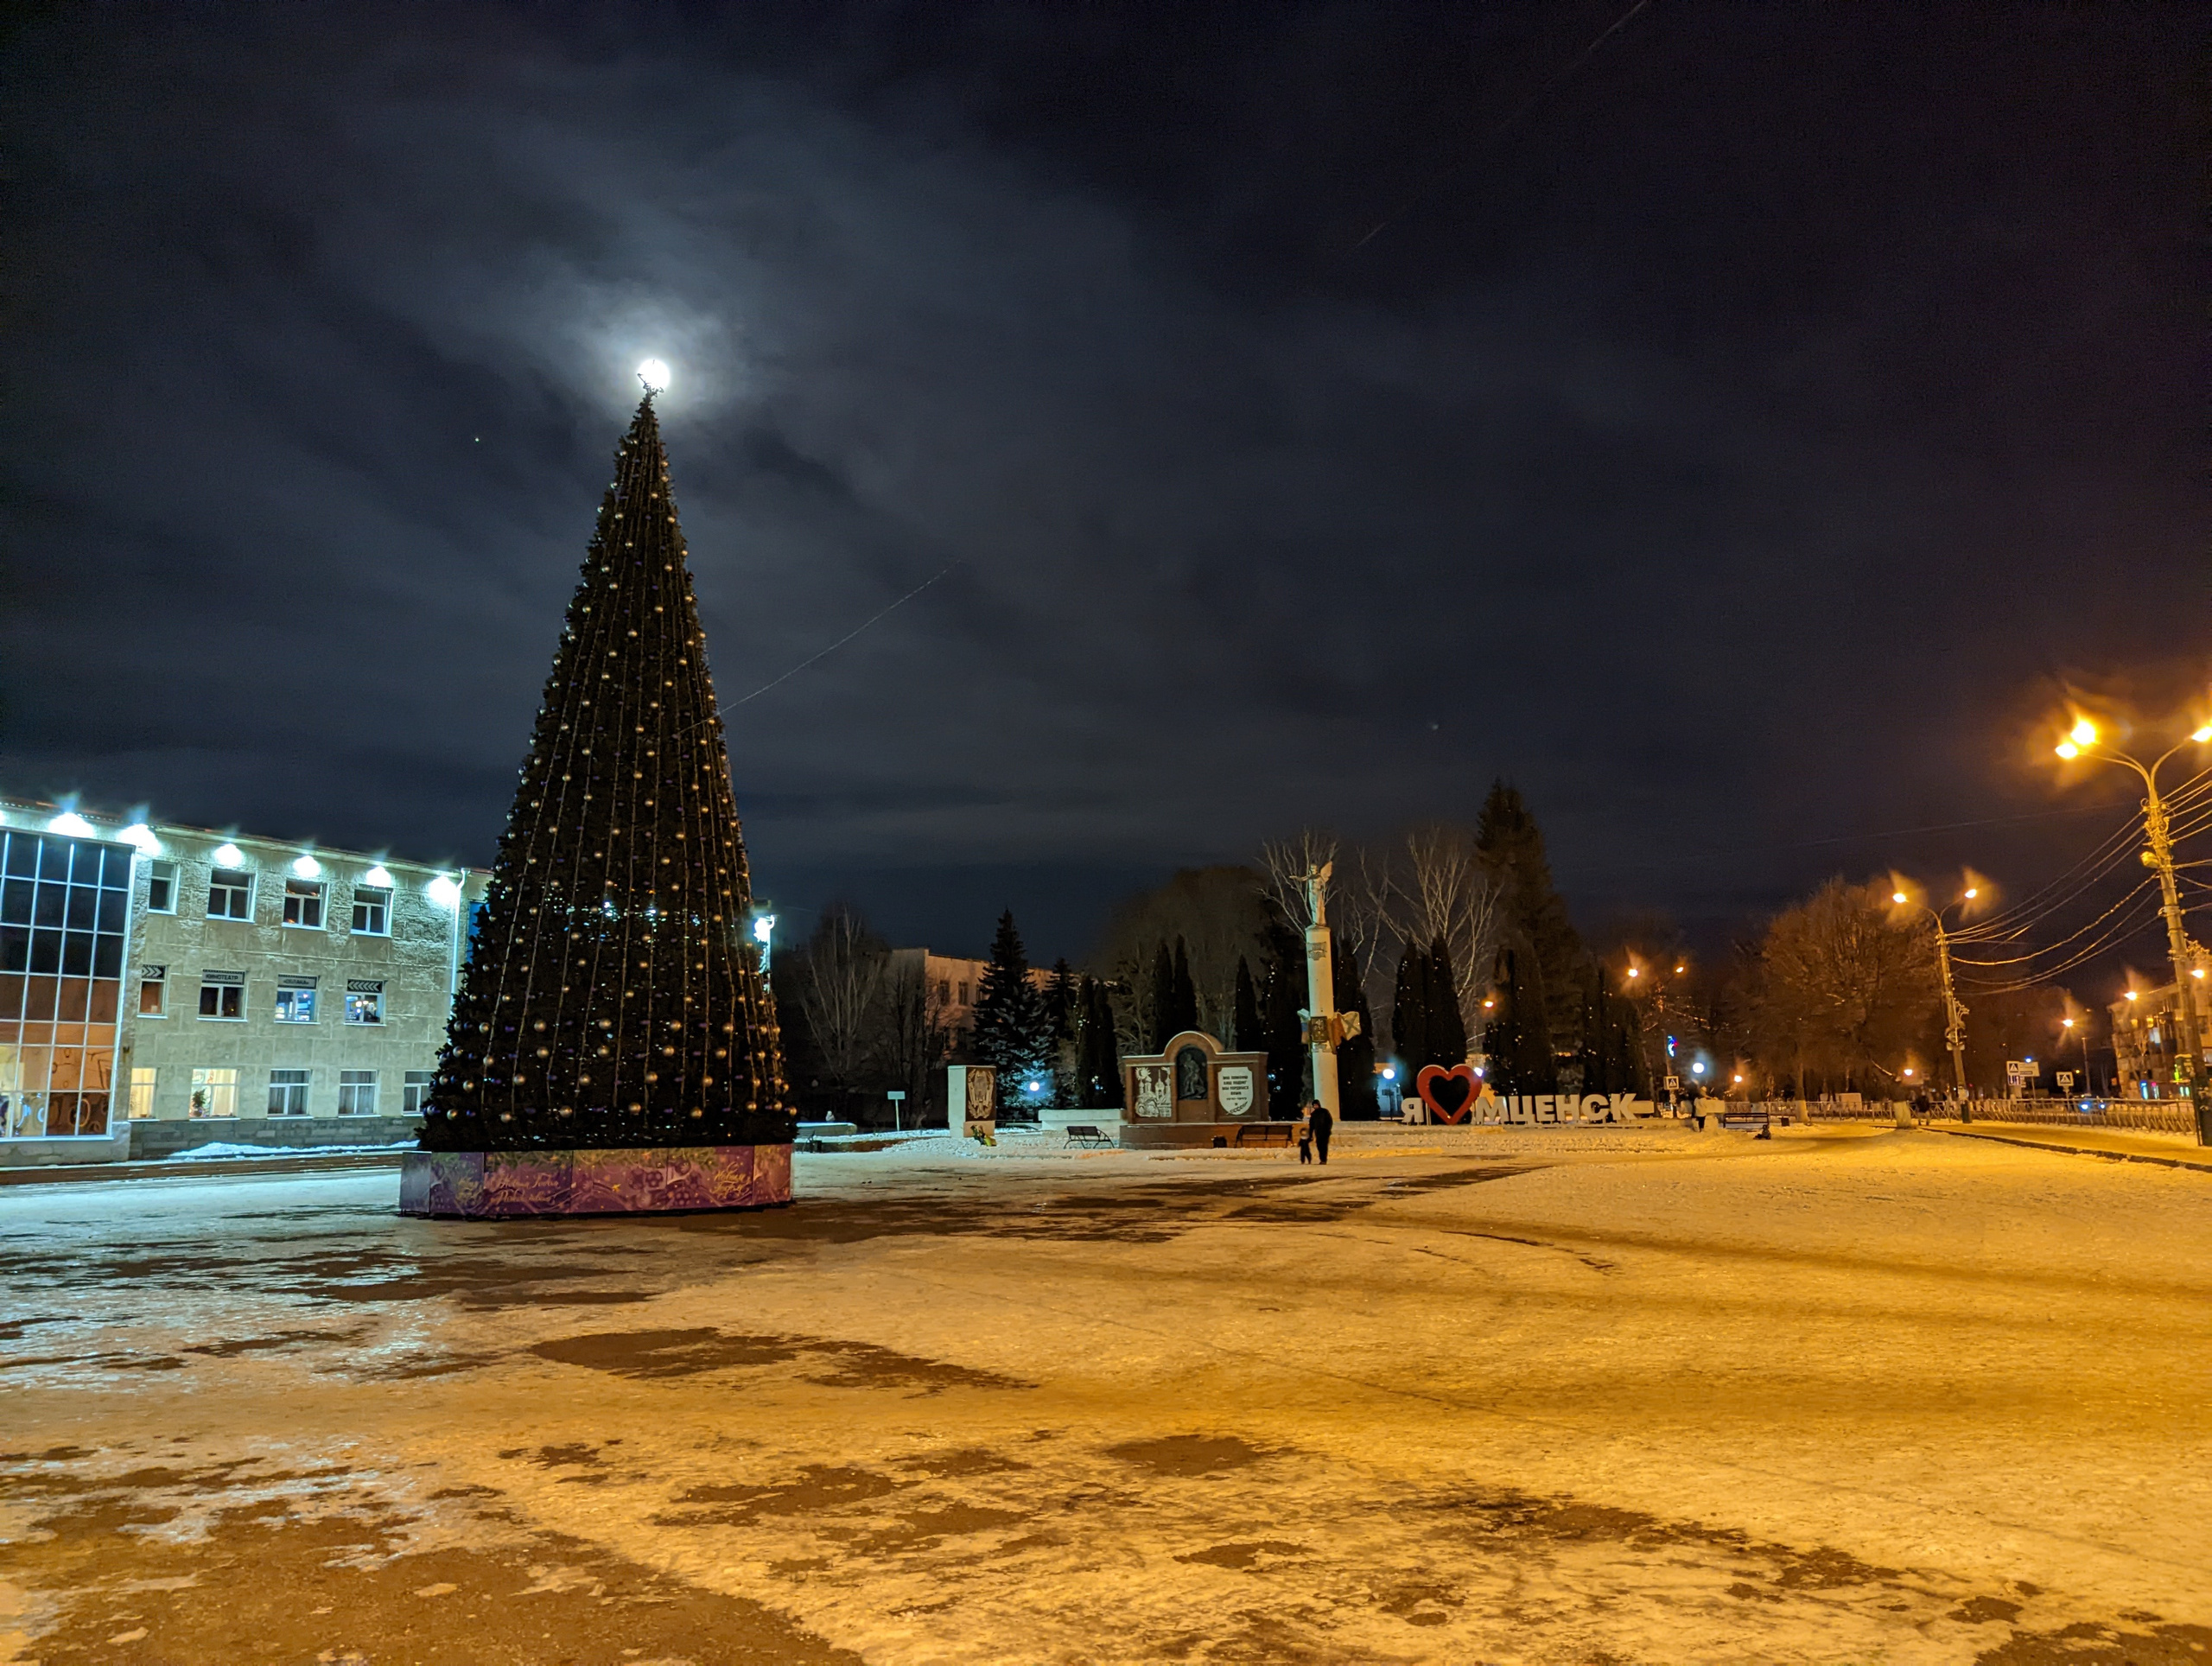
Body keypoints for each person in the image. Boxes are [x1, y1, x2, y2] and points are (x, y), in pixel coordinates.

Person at [1308, 1099, 1333, 1167]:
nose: (1315, 1106)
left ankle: (1324, 1160)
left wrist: (1328, 1129)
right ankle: (1321, 1159)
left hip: (1325, 1132)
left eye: (1316, 1105)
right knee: (1319, 1146)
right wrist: (1310, 1134)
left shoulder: (1325, 1112)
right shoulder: (1313, 1114)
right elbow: (1311, 1125)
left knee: (1324, 1146)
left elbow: (1329, 1121)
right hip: (1318, 1133)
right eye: (1314, 1105)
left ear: (1319, 1105)